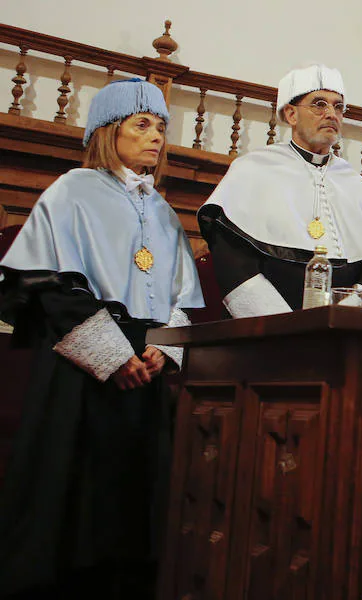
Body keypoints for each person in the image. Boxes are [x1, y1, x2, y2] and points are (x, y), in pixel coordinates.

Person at [0, 78, 204, 598]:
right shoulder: (72, 190)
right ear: (107, 131)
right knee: (76, 501)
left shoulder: (161, 210)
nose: (156, 137)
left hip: (149, 364)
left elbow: (184, 294)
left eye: (161, 127)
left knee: (140, 508)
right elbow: (49, 285)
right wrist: (114, 355)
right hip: (85, 370)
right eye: (142, 125)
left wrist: (166, 345)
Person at [198, 64, 362, 317]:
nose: (331, 114)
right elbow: (233, 260)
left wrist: (341, 320)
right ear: (291, 114)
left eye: (338, 107)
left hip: (339, 332)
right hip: (268, 332)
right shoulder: (252, 170)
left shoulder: (356, 184)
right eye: (319, 104)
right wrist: (286, 327)